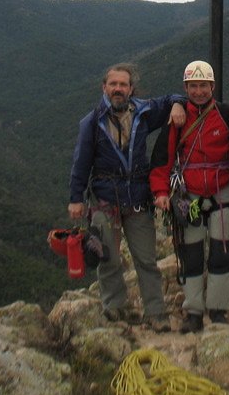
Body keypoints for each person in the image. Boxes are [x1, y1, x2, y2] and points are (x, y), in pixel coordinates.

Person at [68, 62, 186, 332]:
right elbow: (81, 162)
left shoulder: (143, 113)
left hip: (136, 196)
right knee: (107, 257)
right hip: (104, 197)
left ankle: (155, 312)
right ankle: (115, 308)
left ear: (131, 89)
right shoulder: (92, 123)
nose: (118, 89)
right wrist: (76, 197)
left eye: (123, 84)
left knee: (146, 258)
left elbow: (171, 98)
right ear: (104, 87)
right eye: (113, 84)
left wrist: (178, 104)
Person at [149, 60, 229, 333]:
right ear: (186, 87)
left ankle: (218, 309)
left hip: (222, 191)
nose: (199, 91)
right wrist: (161, 192)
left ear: (212, 86)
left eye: (203, 85)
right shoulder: (177, 119)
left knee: (221, 254)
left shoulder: (227, 115)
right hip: (190, 196)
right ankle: (194, 312)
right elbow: (162, 158)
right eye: (193, 86)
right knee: (191, 255)